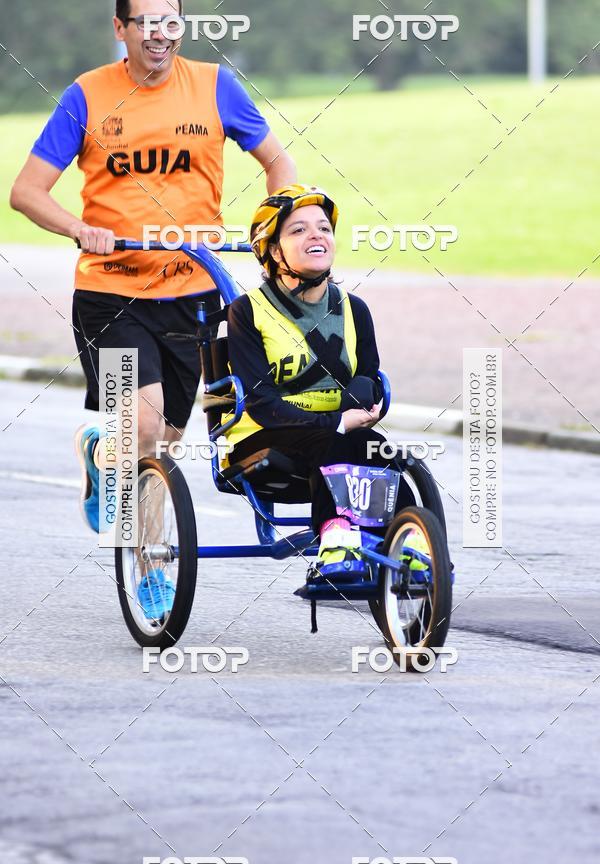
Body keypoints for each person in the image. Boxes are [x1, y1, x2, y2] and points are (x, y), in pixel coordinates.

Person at [9, 0, 296, 615]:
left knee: (162, 443)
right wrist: (79, 228)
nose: (161, 35)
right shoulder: (87, 96)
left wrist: (279, 233)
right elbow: (27, 192)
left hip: (195, 294)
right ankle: (150, 568)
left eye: (172, 22)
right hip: (112, 293)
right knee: (142, 426)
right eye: (147, 23)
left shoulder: (217, 87)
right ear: (121, 28)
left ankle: (98, 449)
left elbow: (277, 162)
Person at [224, 185, 421, 580]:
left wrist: (365, 401)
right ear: (275, 252)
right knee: (337, 441)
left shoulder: (355, 309)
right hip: (262, 438)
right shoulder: (247, 313)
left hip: (338, 435)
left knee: (382, 453)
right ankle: (336, 544)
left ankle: (409, 546)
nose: (317, 235)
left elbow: (369, 375)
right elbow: (260, 402)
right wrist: (335, 422)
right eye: (298, 230)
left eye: (323, 228)